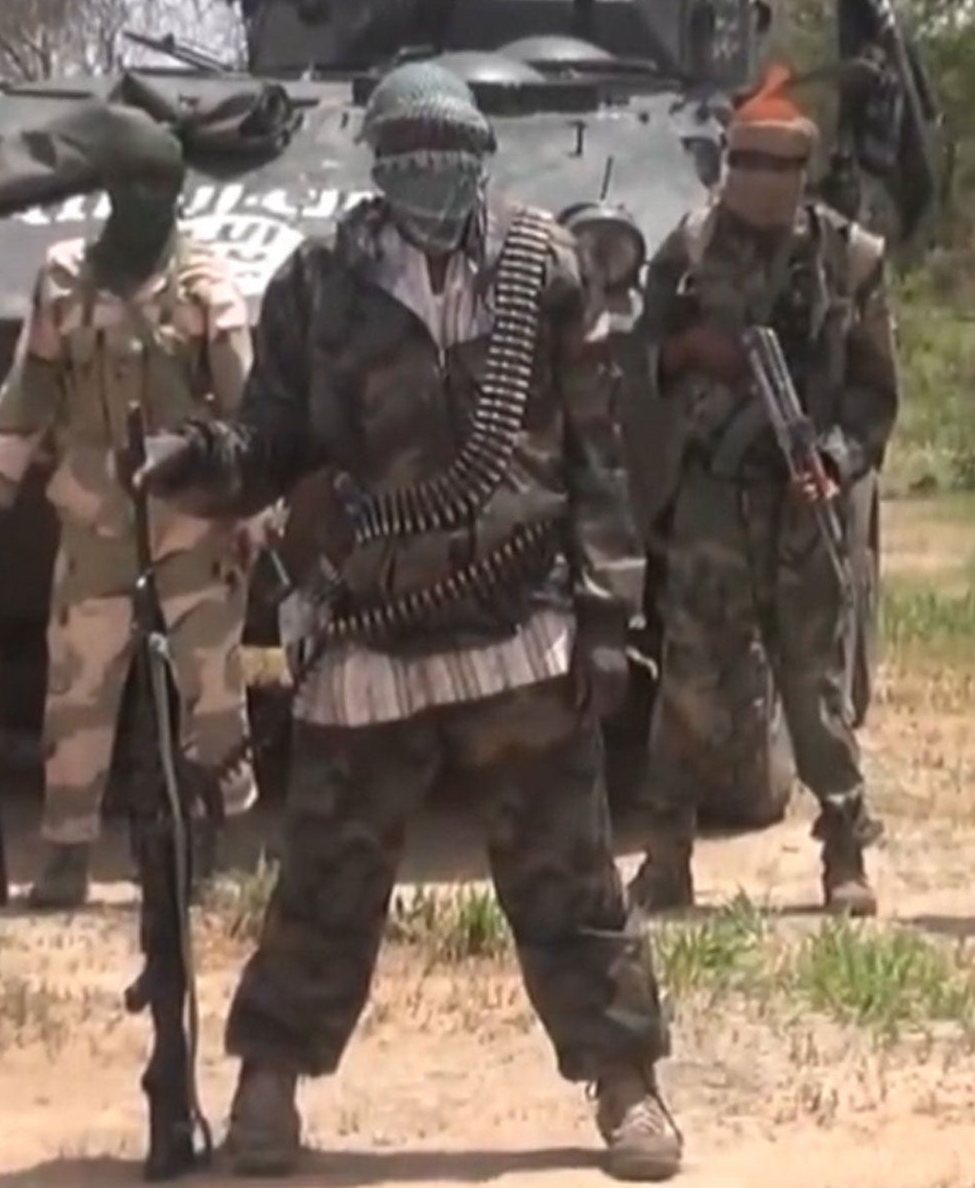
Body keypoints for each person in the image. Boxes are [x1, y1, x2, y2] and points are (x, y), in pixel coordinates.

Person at [134, 61, 680, 1181]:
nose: (431, 175)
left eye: (451, 154)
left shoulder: (544, 266)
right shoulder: (316, 283)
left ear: (480, 157)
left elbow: (595, 452)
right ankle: (269, 1088)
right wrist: (204, 468)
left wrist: (608, 610)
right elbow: (275, 438)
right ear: (376, 166)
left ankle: (626, 1085)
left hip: (518, 619)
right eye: (408, 156)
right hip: (368, 629)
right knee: (327, 879)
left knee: (569, 878)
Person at [0, 100, 258, 910]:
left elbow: (249, 411)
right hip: (93, 515)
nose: (148, 204)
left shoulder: (206, 284)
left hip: (193, 515)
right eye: (133, 187)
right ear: (111, 192)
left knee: (214, 687)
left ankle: (223, 841)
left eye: (162, 188)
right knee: (80, 684)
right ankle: (66, 851)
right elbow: (26, 394)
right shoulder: (64, 277)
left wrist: (257, 513)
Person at [626, 65, 895, 917]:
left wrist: (837, 459)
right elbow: (638, 359)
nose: (762, 186)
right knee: (692, 682)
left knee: (813, 686)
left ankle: (845, 850)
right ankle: (666, 857)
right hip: (714, 494)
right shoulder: (690, 251)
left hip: (803, 497)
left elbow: (874, 394)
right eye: (748, 165)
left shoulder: (850, 259)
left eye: (779, 169)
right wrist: (690, 355)